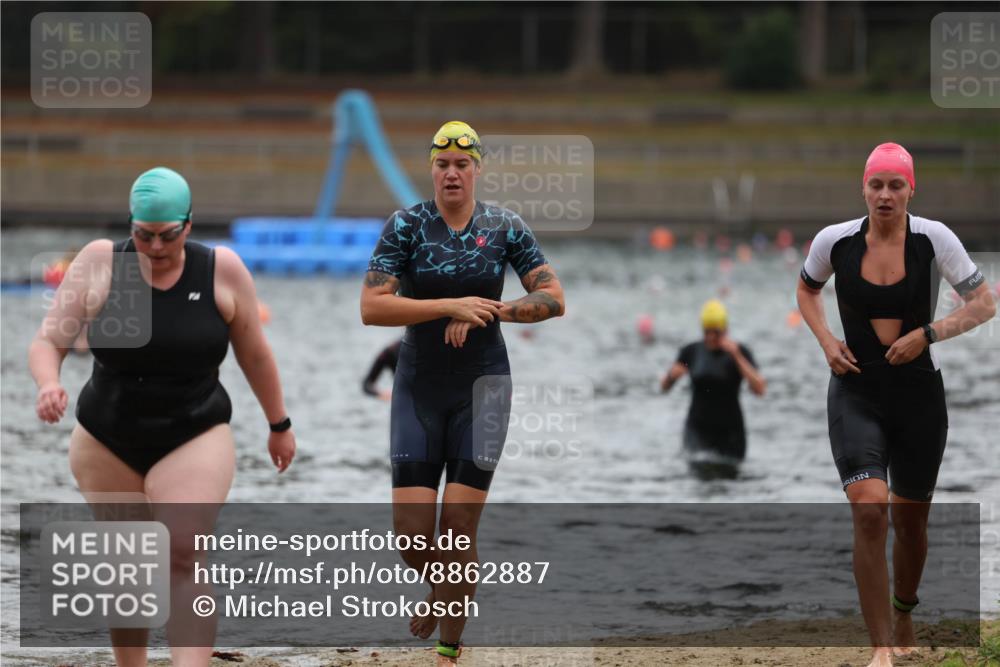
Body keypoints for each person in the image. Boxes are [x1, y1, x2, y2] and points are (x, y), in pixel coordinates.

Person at [29, 166, 297, 666]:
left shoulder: (221, 269)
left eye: (167, 235)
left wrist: (278, 425)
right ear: (131, 226)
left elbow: (255, 355)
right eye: (144, 235)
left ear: (189, 225)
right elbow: (49, 340)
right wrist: (49, 383)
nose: (155, 247)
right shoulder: (103, 262)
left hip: (194, 429)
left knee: (183, 548)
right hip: (107, 435)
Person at [360, 121, 565, 664]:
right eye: (442, 164)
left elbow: (552, 296)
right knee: (410, 536)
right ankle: (445, 590)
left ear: (476, 169)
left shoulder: (504, 226)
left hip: (485, 389)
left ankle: (450, 648)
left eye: (462, 164)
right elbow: (371, 307)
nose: (452, 173)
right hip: (417, 389)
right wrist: (447, 306)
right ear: (432, 169)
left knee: (456, 527)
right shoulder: (405, 226)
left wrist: (487, 310)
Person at [796, 143, 995, 667]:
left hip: (917, 397)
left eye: (896, 185)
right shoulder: (833, 241)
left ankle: (905, 610)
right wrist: (826, 340)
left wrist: (928, 334)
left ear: (911, 190)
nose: (885, 195)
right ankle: (881, 647)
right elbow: (806, 290)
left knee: (910, 522)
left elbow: (984, 305)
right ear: (863, 188)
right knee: (868, 510)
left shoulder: (935, 239)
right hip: (856, 390)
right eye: (876, 185)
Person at [661, 299, 766, 479]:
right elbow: (664, 387)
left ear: (725, 330)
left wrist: (737, 356)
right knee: (697, 478)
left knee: (730, 483)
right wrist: (672, 376)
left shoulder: (740, 352)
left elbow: (760, 389)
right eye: (706, 331)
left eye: (715, 332)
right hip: (698, 430)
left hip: (731, 433)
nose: (710, 337)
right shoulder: (691, 352)